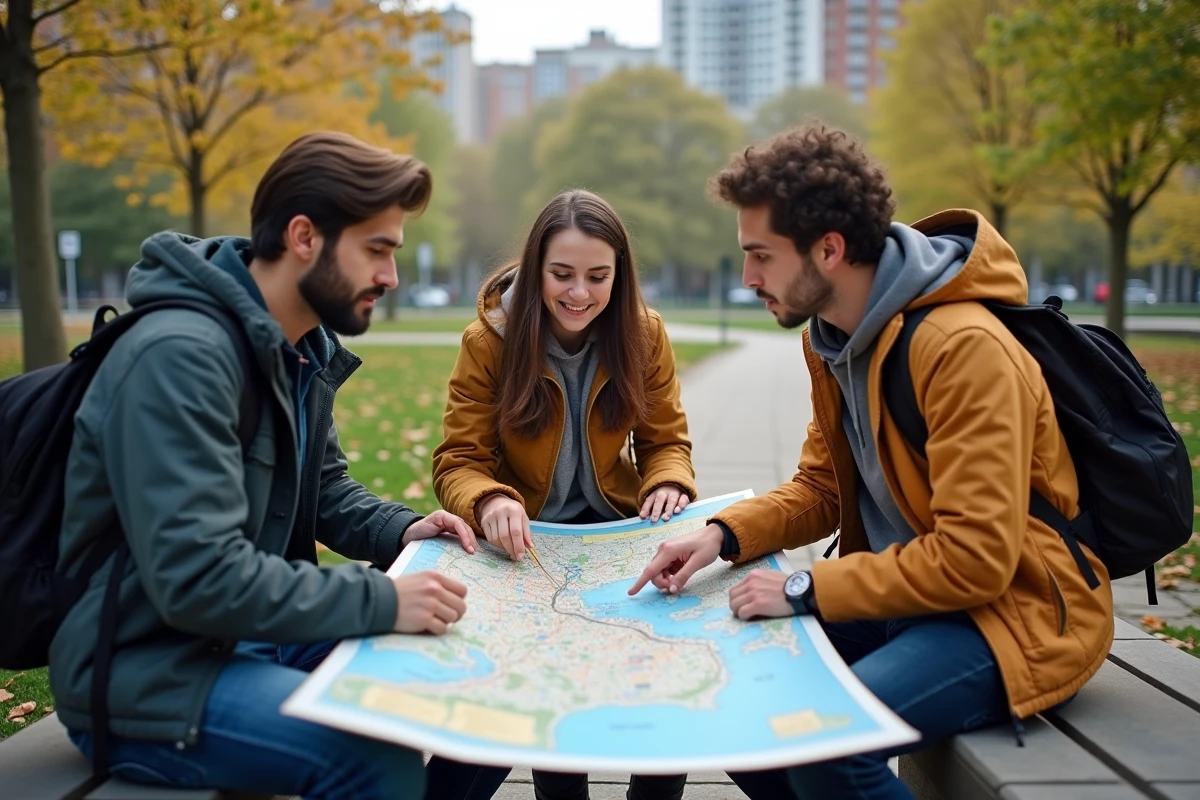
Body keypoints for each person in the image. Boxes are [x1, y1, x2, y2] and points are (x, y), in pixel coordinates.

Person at [628, 123, 1115, 800]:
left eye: (761, 256)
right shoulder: (833, 338)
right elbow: (823, 487)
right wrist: (721, 535)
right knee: (733, 699)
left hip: (1008, 617)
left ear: (829, 250)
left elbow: (976, 559)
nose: (748, 278)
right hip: (904, 598)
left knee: (826, 743)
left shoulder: (963, 349)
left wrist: (804, 588)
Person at [50, 131, 484, 800]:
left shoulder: (299, 344)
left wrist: (402, 531)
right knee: (379, 762)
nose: (391, 277)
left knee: (476, 673)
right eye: (377, 250)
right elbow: (197, 576)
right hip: (149, 668)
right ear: (304, 237)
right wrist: (380, 598)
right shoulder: (180, 356)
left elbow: (325, 488)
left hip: (256, 636)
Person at [432, 189, 698, 800]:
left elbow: (666, 442)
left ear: (619, 275)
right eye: (562, 274)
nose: (579, 293)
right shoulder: (489, 342)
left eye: (597, 277)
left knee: (666, 667)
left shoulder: (644, 334)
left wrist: (666, 481)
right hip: (527, 541)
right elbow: (459, 461)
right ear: (535, 270)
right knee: (546, 685)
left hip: (620, 529)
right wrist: (490, 499)